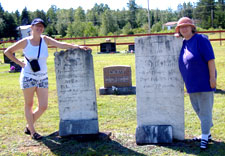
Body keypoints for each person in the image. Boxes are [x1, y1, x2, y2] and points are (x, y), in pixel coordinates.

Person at [4, 18, 91, 140]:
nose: (39, 28)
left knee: (43, 106)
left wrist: (77, 46)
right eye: (37, 26)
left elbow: (61, 44)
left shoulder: (45, 40)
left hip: (42, 77)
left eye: (41, 26)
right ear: (32, 28)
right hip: (28, 76)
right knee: (29, 104)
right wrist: (20, 63)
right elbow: (8, 51)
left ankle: (29, 126)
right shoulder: (25, 42)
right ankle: (33, 132)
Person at [175, 17, 216, 149]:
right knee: (198, 109)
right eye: (181, 27)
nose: (184, 28)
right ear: (179, 30)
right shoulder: (183, 43)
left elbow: (210, 59)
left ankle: (204, 137)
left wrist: (212, 78)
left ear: (192, 27)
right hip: (191, 83)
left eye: (187, 26)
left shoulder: (201, 39)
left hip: (204, 81)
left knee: (205, 111)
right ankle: (207, 133)